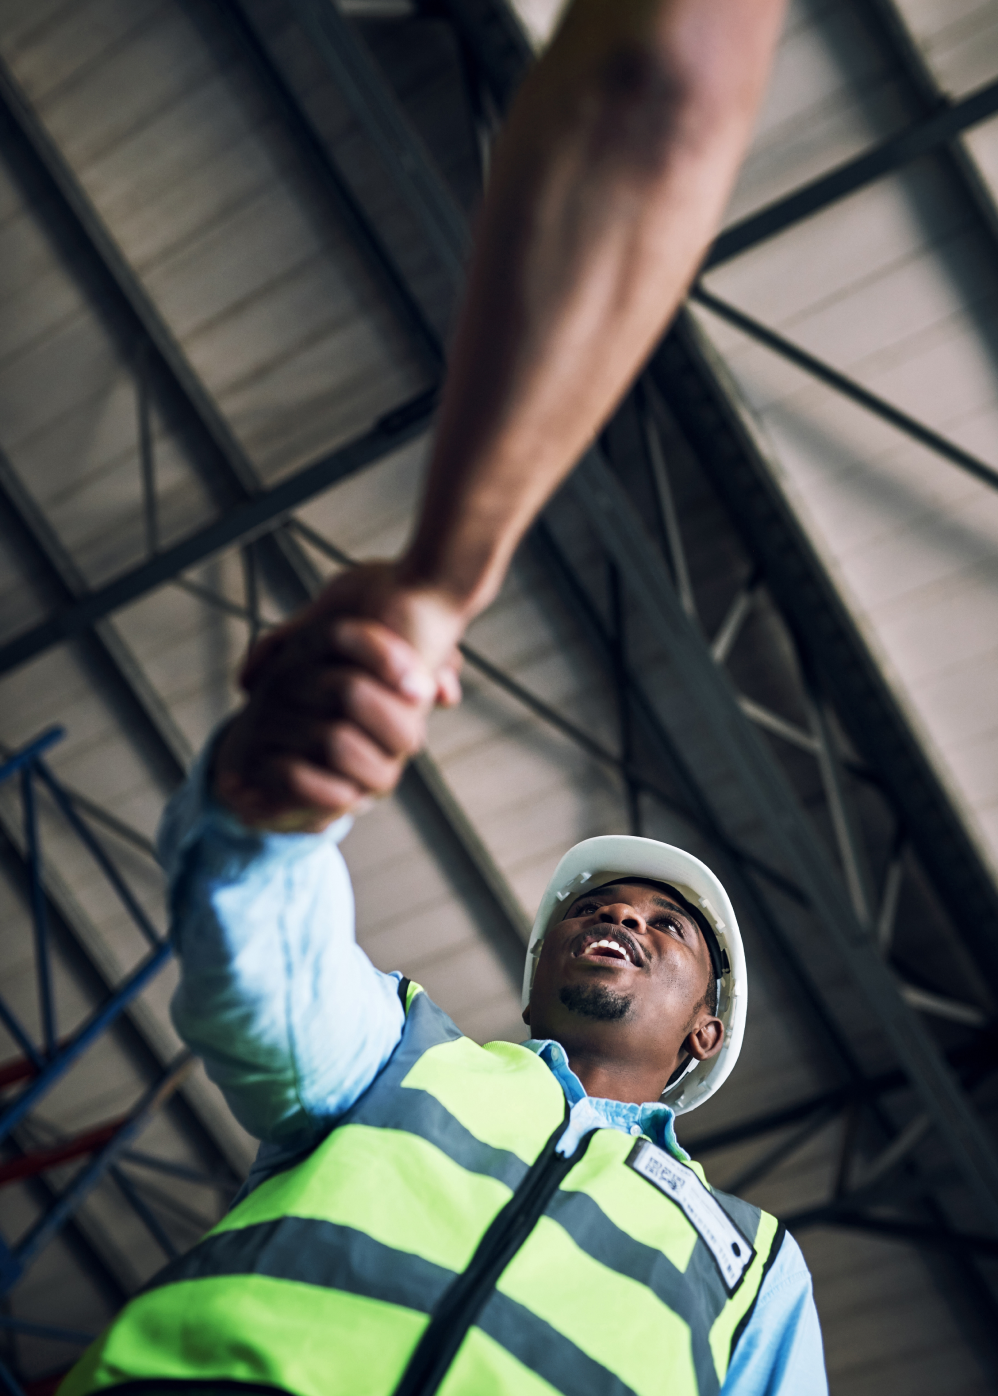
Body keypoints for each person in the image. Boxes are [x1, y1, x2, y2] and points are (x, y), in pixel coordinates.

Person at [61, 0, 830, 1390]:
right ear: (532, 975)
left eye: (664, 927)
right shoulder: (400, 1056)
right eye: (598, 908)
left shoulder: (756, 1275)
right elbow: (260, 958)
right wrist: (260, 807)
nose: (620, 919)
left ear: (704, 1033)